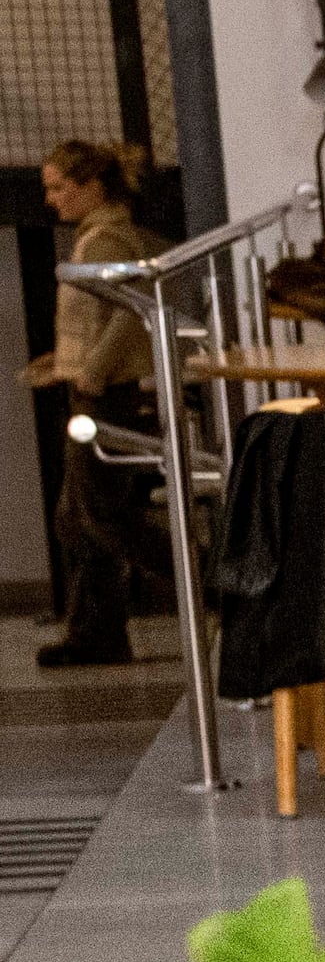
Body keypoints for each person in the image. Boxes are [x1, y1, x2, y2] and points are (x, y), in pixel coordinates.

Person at [24, 135, 163, 666]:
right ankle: (95, 631)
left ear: (91, 186)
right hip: (99, 386)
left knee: (98, 515)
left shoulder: (102, 241)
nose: (50, 199)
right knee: (81, 516)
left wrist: (93, 373)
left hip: (105, 395)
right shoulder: (103, 235)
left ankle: (218, 585)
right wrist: (60, 363)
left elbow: (130, 312)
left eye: (59, 187)